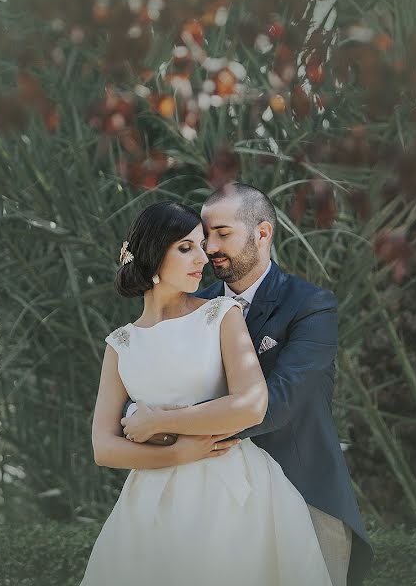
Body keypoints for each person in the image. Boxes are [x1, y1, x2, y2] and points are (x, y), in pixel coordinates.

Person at [122, 182, 374, 585]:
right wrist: (137, 414)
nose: (209, 248)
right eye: (204, 237)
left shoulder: (310, 305)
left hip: (305, 491)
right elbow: (149, 373)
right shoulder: (194, 305)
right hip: (211, 503)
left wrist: (164, 423)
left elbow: (278, 402)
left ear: (262, 233)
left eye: (223, 234)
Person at [81, 200, 333, 585]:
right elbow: (103, 447)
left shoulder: (221, 314)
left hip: (233, 491)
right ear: (152, 255)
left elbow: (251, 405)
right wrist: (179, 453)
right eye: (186, 247)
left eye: (202, 245)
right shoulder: (120, 344)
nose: (203, 256)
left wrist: (160, 422)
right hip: (152, 501)